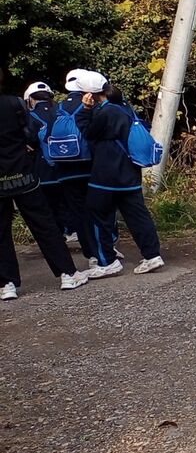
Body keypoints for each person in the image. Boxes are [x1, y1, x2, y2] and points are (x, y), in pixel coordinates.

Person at [0, 66, 88, 300]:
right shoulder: (15, 103)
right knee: (44, 224)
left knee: (1, 232)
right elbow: (30, 135)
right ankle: (67, 274)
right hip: (23, 174)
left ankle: (7, 284)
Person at [75, 72, 164, 278]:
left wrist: (85, 110)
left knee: (97, 215)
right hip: (130, 173)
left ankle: (107, 261)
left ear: (90, 94)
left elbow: (88, 133)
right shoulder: (125, 107)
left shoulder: (105, 112)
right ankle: (152, 255)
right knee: (137, 215)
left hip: (107, 175)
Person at [25, 78, 100, 269]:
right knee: (85, 209)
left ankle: (64, 246)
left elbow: (33, 140)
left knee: (52, 212)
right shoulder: (63, 110)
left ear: (30, 99)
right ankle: (99, 248)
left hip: (48, 172)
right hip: (82, 165)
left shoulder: (33, 115)